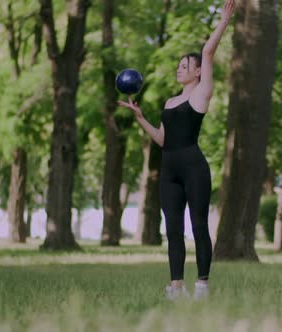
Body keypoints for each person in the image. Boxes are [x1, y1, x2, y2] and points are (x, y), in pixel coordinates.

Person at [119, 0, 236, 301]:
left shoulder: (201, 94)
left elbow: (208, 52)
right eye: (179, 66)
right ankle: (176, 287)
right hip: (169, 169)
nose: (179, 69)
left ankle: (202, 287)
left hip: (194, 168)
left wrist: (223, 22)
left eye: (185, 66)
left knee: (198, 226)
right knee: (173, 230)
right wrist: (141, 117)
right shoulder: (170, 102)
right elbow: (162, 139)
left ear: (198, 72)